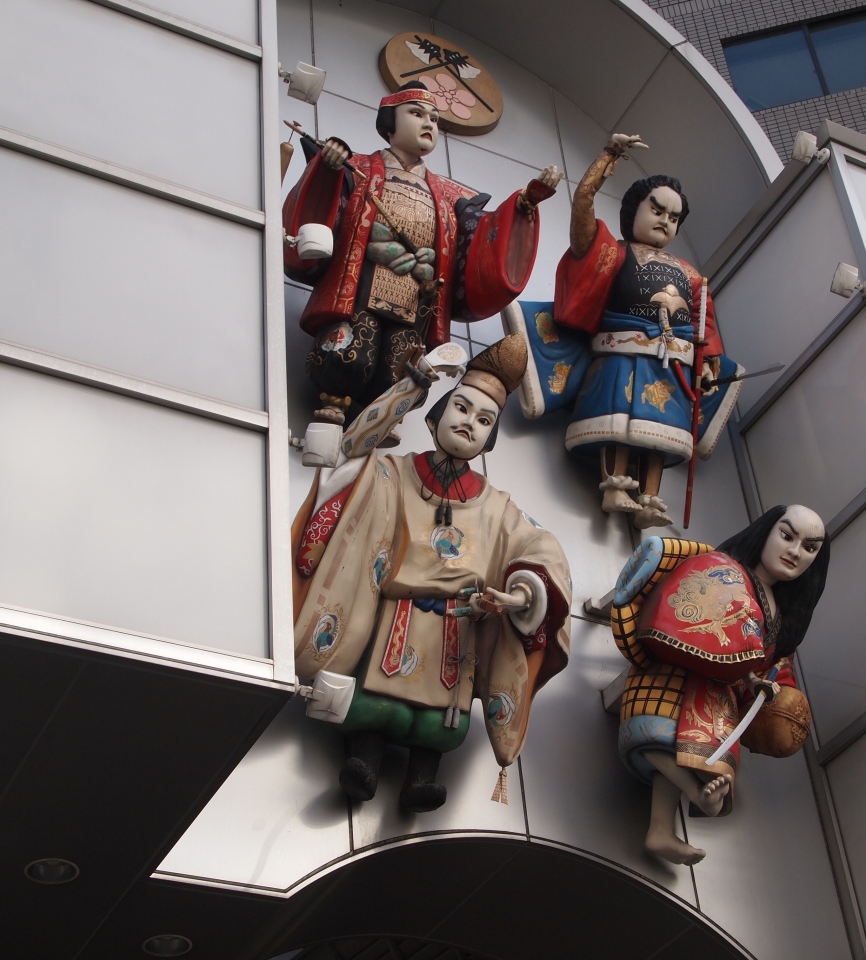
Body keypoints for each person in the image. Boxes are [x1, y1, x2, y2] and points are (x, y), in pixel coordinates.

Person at [290, 334, 571, 812]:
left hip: (455, 628)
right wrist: (414, 383)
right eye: (461, 408)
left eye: (484, 420)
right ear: (435, 416)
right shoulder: (392, 473)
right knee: (374, 699)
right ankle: (364, 761)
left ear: (489, 440)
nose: (469, 423)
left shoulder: (498, 508)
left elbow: (538, 545)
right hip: (392, 613)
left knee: (442, 720)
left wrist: (526, 590)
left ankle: (422, 778)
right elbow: (353, 447)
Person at [283, 81, 562, 430]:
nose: (429, 123)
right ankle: (334, 405)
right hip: (361, 289)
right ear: (389, 123)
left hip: (416, 299)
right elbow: (323, 208)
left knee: (400, 370)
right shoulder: (358, 169)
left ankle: (383, 422)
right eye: (416, 114)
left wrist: (525, 203)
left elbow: (484, 235)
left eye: (434, 118)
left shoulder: (449, 195)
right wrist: (329, 167)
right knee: (350, 355)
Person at [507, 134, 741, 528]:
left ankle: (650, 499)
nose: (665, 221)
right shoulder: (611, 252)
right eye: (657, 210)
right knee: (617, 423)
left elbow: (706, 324)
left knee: (659, 432)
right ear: (634, 210)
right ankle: (614, 487)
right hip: (620, 353)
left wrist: (707, 363)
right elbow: (583, 204)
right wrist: (609, 155)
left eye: (674, 217)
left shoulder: (692, 275)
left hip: (672, 365)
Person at [609, 505, 829, 864]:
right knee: (660, 732)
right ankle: (694, 796)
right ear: (765, 532)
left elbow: (766, 665)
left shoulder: (782, 617)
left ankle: (661, 828)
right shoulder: (723, 570)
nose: (794, 551)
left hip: (715, 697)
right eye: (787, 536)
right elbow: (692, 618)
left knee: (702, 752)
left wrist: (762, 686)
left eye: (809, 548)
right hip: (674, 670)